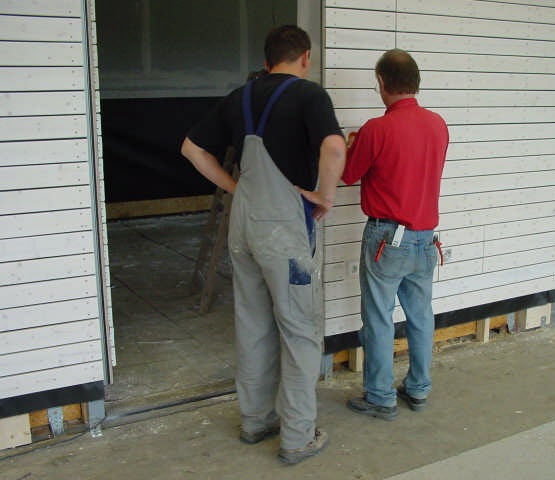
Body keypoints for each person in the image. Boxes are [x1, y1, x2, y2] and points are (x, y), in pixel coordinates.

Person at [181, 25, 346, 464]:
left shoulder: (240, 97)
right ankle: (297, 436)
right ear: (305, 58)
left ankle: (256, 421)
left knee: (253, 324)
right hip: (283, 233)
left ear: (267, 59)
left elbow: (192, 149)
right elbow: (334, 148)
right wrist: (326, 196)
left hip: (243, 227)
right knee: (300, 330)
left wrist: (235, 188)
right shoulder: (310, 95)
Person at [342, 49, 449, 420]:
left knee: (378, 318)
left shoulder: (377, 129)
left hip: (386, 240)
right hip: (426, 238)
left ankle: (380, 397)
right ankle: (418, 389)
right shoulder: (438, 124)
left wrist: (351, 146)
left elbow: (348, 174)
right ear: (415, 82)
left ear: (382, 82)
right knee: (420, 315)